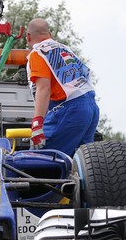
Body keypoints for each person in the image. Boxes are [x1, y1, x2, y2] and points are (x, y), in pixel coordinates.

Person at [25, 18, 100, 157]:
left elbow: (43, 88)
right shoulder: (65, 49)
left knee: (38, 159)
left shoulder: (38, 54)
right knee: (83, 163)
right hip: (91, 107)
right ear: (50, 33)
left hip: (70, 109)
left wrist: (37, 124)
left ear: (28, 36)